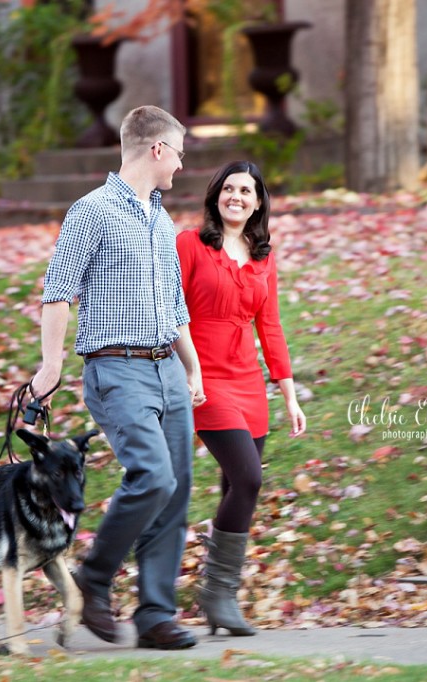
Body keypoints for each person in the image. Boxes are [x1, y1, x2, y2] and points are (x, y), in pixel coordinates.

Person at [31, 105, 205, 651]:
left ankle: (155, 614)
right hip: (118, 368)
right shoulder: (93, 211)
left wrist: (193, 367)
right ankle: (94, 578)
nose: (180, 165)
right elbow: (59, 290)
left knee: (174, 492)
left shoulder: (159, 218)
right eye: (178, 153)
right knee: (152, 476)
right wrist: (52, 363)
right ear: (157, 150)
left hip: (168, 369)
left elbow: (173, 306)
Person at [176, 160, 307, 636]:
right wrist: (188, 370)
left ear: (257, 202)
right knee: (248, 480)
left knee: (236, 488)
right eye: (228, 188)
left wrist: (288, 395)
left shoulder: (262, 254)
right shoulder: (190, 244)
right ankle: (217, 594)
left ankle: (218, 602)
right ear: (216, 196)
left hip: (248, 382)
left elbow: (269, 326)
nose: (236, 196)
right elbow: (173, 311)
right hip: (204, 379)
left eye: (245, 190)